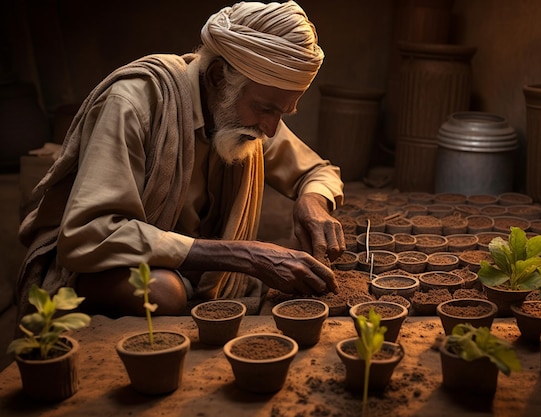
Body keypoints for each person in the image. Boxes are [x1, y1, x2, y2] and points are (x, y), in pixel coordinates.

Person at [16, 1, 345, 319]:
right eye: (266, 109)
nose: (272, 130)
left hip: (191, 272)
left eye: (283, 112)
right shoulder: (134, 104)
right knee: (164, 291)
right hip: (101, 270)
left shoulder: (244, 116)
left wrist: (312, 203)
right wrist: (243, 254)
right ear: (217, 76)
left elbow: (317, 171)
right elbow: (90, 233)